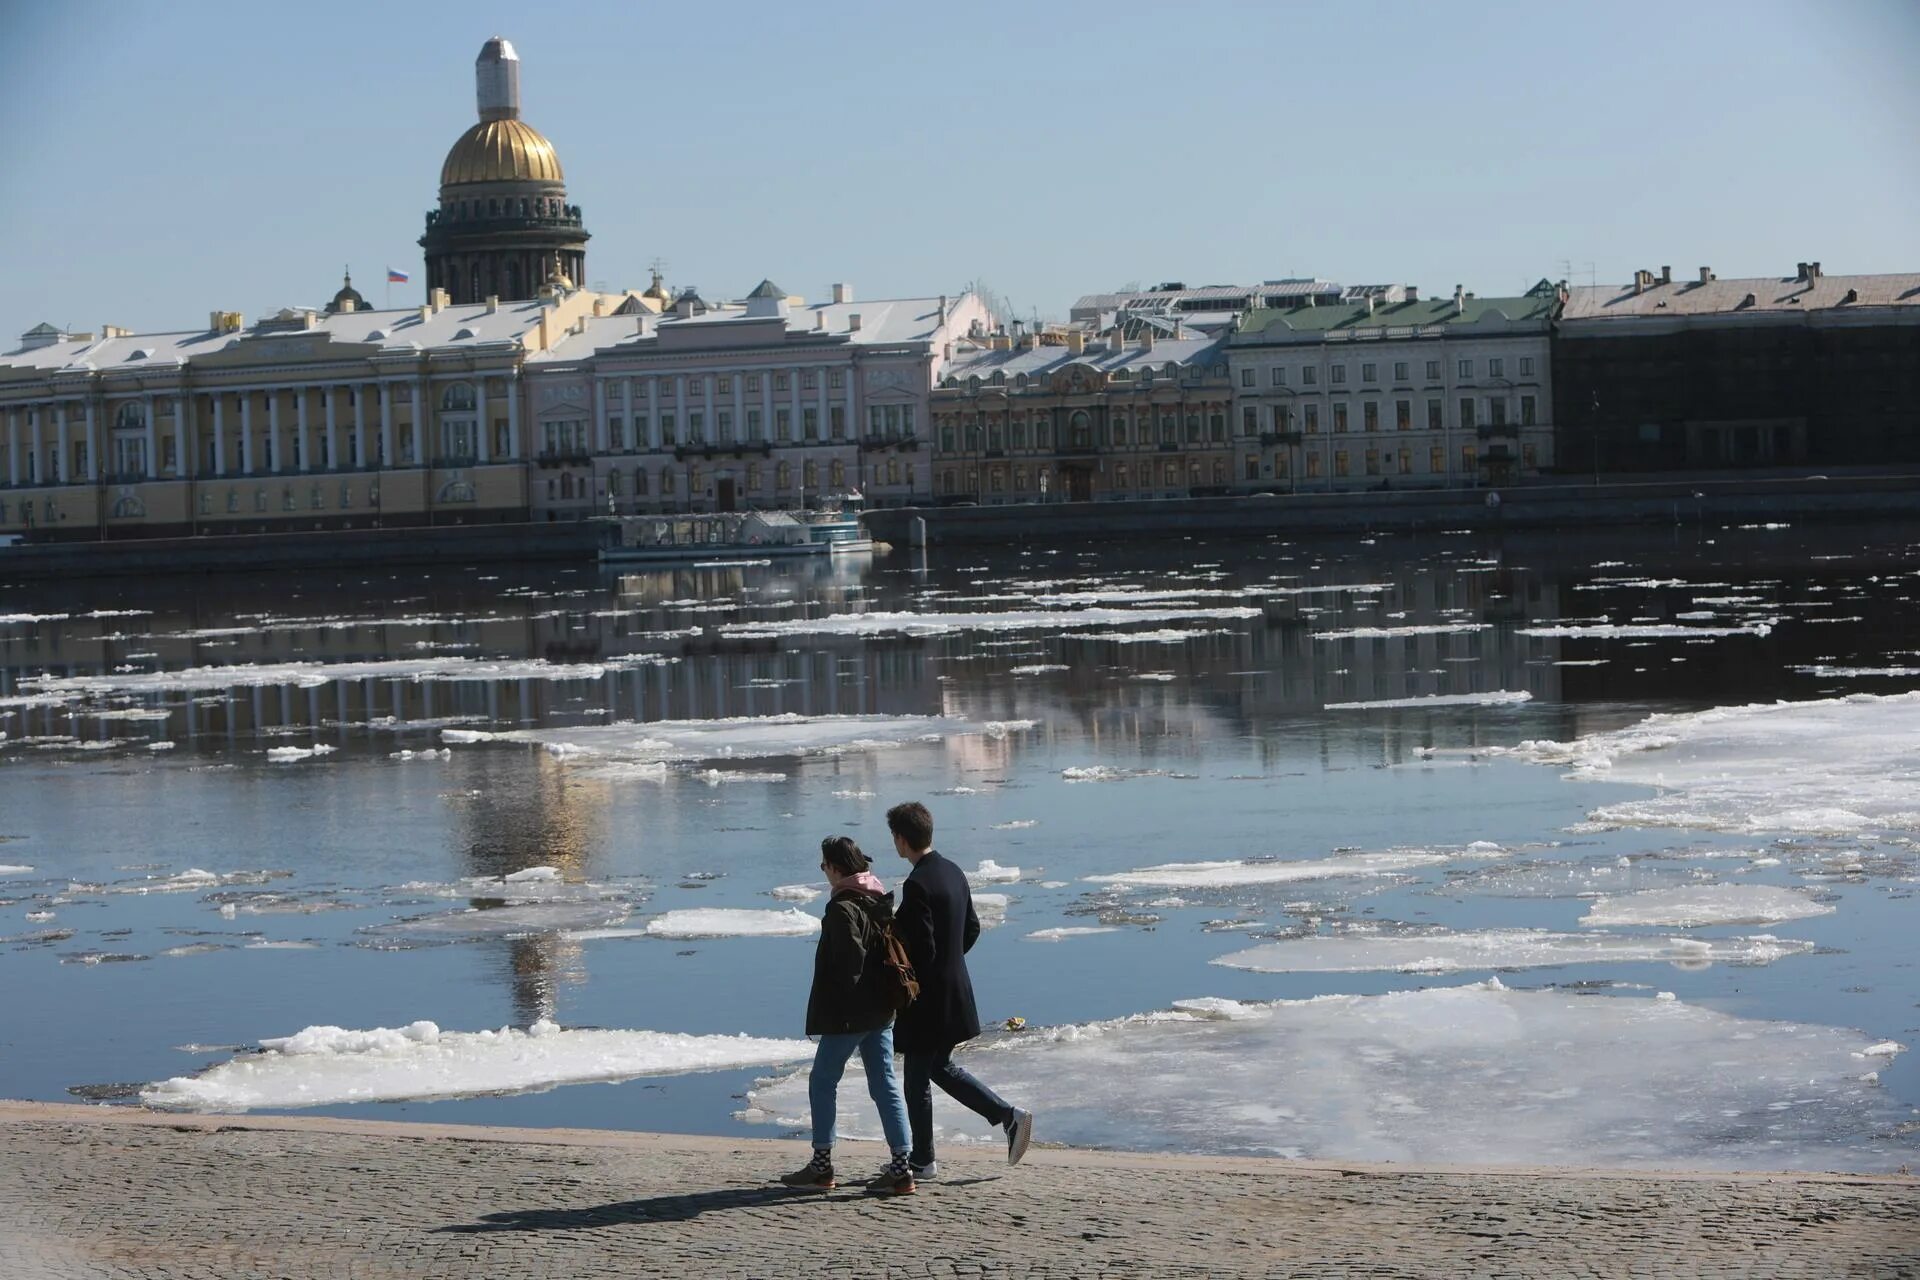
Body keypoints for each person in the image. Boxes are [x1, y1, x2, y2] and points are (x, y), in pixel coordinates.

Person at [888, 800, 1034, 1180]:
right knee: (939, 1066)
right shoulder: (953, 872)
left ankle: (924, 1160)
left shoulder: (917, 883)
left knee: (918, 1078)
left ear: (901, 840)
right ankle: (1007, 1116)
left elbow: (923, 948)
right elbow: (971, 929)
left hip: (929, 1000)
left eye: (895, 838)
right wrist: (952, 963)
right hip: (956, 990)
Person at [778, 835, 917, 1196]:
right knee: (884, 1084)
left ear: (836, 868)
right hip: (883, 1010)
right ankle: (902, 1168)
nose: (824, 872)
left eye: (824, 865)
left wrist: (835, 1006)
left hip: (851, 1014)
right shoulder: (878, 898)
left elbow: (849, 964)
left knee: (822, 1081)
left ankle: (821, 1166)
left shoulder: (842, 907)